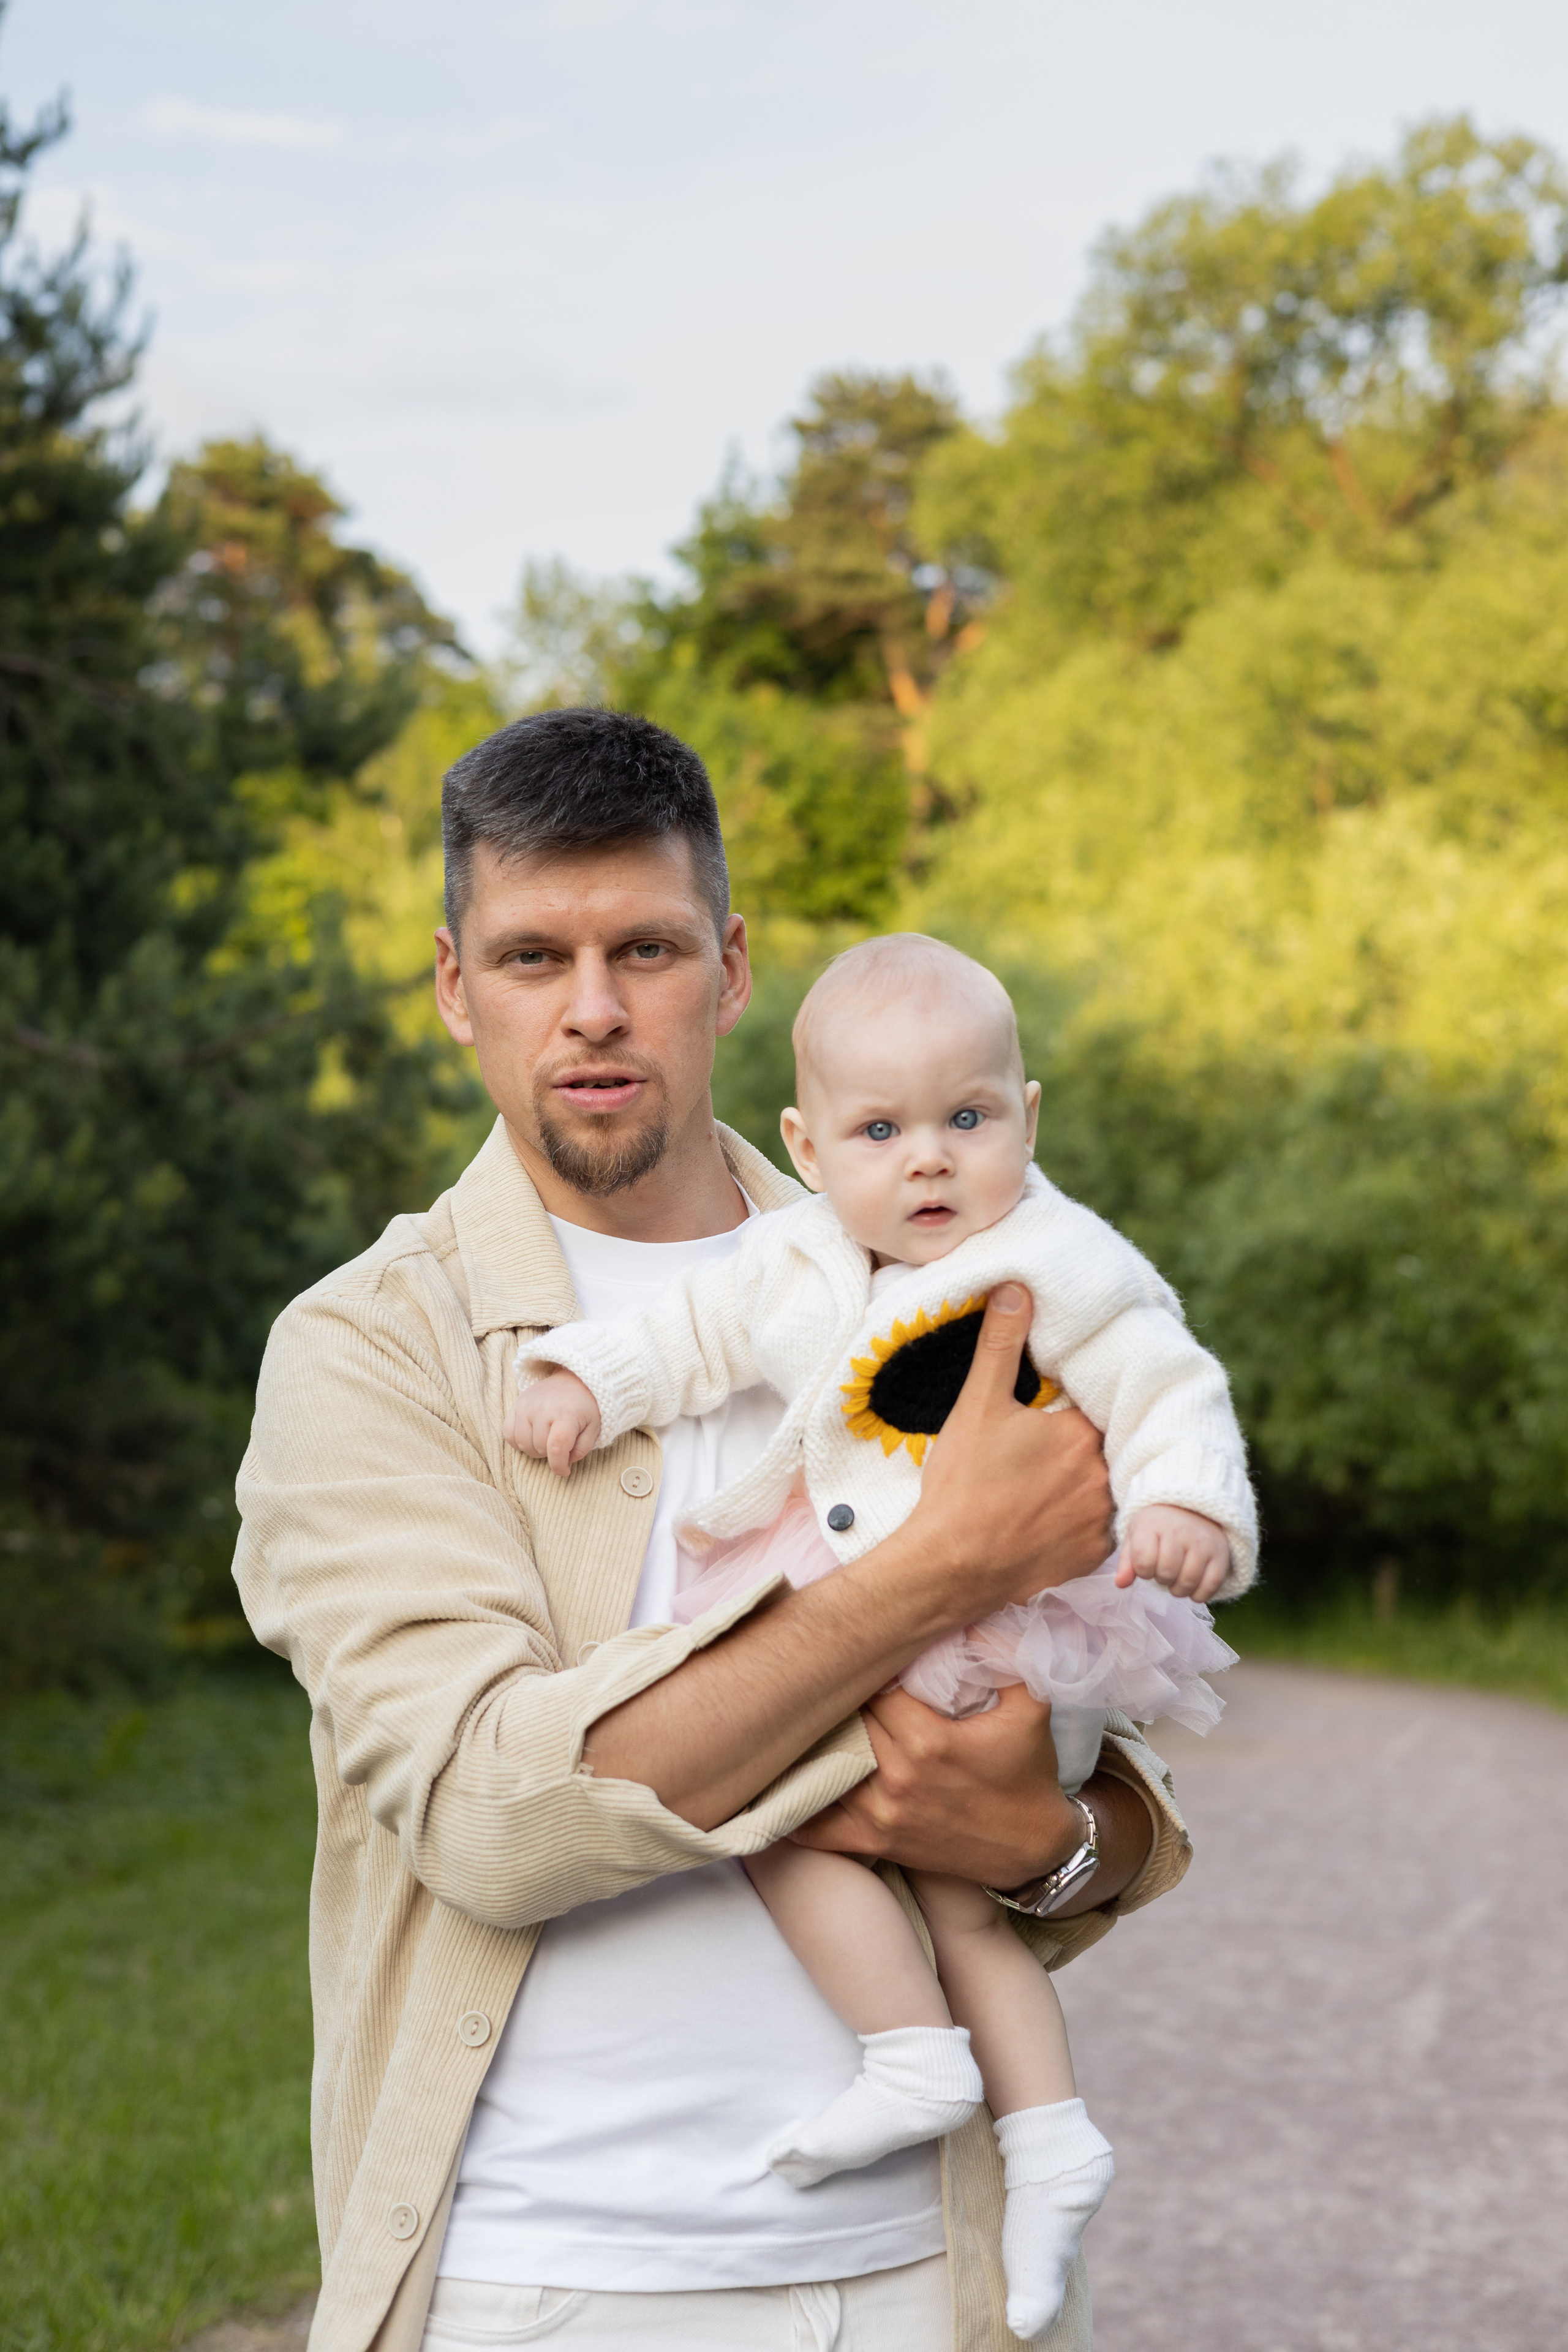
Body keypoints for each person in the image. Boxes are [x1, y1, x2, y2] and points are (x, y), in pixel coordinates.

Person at [233, 709, 1194, 2352]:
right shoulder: (368, 1347)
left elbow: (1088, 1785)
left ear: (732, 967)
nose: (595, 1009)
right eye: (534, 957)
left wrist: (1050, 1844)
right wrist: (933, 1572)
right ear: (457, 986)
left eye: (647, 948)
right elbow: (489, 1820)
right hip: (546, 2285)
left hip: (926, 2281)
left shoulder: (954, 1284)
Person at [508, 932, 1251, 2339]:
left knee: (799, 1811)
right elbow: (689, 1335)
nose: (925, 1161)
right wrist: (583, 1382)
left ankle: (914, 2055)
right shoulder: (795, 1253)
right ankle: (1046, 2141)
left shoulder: (1057, 1256)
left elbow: (1165, 1381)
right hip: (897, 1605)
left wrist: (1188, 1506)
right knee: (943, 1892)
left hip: (1029, 1629)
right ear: (806, 1141)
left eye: (965, 1121)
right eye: (879, 1131)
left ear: (1026, 1122)